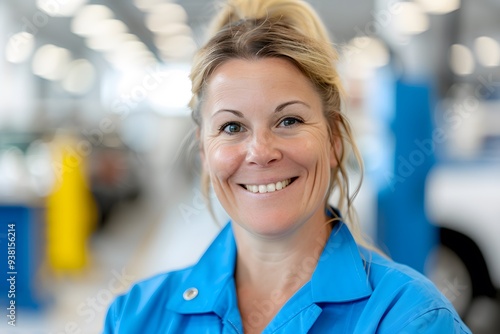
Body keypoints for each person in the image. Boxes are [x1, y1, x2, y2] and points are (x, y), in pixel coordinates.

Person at [103, 0, 471, 333]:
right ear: (203, 152)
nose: (260, 152)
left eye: (289, 121)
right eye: (232, 127)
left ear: (334, 141)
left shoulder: (409, 319)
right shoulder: (135, 318)